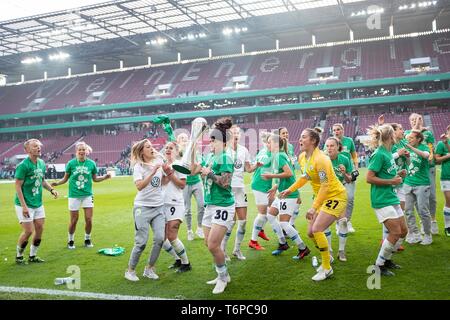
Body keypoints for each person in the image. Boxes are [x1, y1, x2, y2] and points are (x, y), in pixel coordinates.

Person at [280, 129, 347, 281]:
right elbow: (305, 177)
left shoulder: (322, 159)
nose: (300, 140)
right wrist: (289, 190)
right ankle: (326, 257)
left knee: (317, 229)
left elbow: (325, 186)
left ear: (313, 141)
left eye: (303, 137)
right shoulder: (303, 157)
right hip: (322, 197)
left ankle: (327, 268)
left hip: (335, 195)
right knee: (311, 233)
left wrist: (314, 207)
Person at [199, 117, 235, 294]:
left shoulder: (225, 157)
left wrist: (210, 173)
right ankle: (221, 273)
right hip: (210, 204)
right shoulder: (211, 156)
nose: (210, 143)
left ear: (221, 141)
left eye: (213, 140)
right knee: (209, 243)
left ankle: (223, 277)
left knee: (213, 245)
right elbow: (204, 176)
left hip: (223, 206)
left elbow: (225, 183)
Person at [51, 142, 111, 249]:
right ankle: (70, 240)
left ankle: (87, 239)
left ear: (86, 151)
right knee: (74, 220)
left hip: (87, 195)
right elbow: (65, 179)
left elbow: (95, 179)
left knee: (89, 219)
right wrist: (57, 183)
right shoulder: (71, 163)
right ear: (76, 151)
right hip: (74, 195)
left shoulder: (91, 164)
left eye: (83, 149)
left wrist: (104, 177)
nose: (82, 151)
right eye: (80, 150)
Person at [366, 124, 408, 276]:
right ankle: (378, 265)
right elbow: (369, 178)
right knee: (395, 232)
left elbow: (386, 174)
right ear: (390, 137)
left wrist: (398, 174)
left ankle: (387, 259)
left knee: (403, 231)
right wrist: (392, 181)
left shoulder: (389, 152)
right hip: (381, 199)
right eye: (394, 135)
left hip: (391, 197)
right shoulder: (379, 154)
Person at [124, 139, 166, 281]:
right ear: (142, 151)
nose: (152, 148)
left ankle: (149, 269)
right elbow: (140, 186)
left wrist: (167, 172)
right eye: (148, 147)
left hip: (159, 207)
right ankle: (130, 270)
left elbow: (163, 182)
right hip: (142, 207)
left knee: (160, 238)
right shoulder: (138, 167)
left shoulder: (158, 160)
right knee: (141, 242)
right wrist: (153, 171)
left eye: (152, 146)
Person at [263, 134, 310, 260]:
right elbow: (285, 174)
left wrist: (271, 177)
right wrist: (275, 186)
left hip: (288, 195)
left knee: (284, 223)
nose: (267, 145)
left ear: (276, 144)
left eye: (269, 142)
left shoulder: (279, 155)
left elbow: (289, 174)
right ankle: (283, 243)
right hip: (283, 193)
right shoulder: (278, 156)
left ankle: (303, 248)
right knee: (271, 215)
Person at [14, 139, 59, 264]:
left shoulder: (42, 163)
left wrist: (51, 190)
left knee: (39, 230)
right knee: (28, 231)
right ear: (27, 150)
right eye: (35, 146)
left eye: (39, 146)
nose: (38, 148)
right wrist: (24, 207)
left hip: (38, 203)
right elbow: (17, 186)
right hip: (24, 203)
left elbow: (43, 181)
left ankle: (33, 256)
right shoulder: (23, 166)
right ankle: (19, 256)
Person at [221, 125, 260, 261]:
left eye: (238, 132)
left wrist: (257, 166)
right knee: (230, 222)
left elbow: (248, 169)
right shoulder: (224, 150)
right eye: (233, 132)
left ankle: (237, 250)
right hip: (228, 189)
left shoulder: (244, 150)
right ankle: (223, 250)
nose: (236, 134)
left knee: (243, 221)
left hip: (240, 188)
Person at [160, 141, 192, 272]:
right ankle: (177, 259)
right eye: (166, 148)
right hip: (163, 204)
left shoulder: (180, 165)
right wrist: (167, 172)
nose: (168, 149)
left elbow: (182, 184)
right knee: (161, 238)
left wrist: (171, 173)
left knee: (172, 236)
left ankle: (186, 263)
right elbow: (162, 183)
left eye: (171, 148)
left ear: (177, 151)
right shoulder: (163, 165)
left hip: (175, 203)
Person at [405, 113, 437, 234]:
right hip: (414, 170)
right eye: (412, 120)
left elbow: (430, 149)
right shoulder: (408, 133)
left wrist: (430, 158)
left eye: (417, 119)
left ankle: (433, 221)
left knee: (432, 197)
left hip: (428, 168)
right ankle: (422, 224)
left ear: (422, 120)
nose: (414, 121)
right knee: (414, 199)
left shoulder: (427, 133)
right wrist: (417, 126)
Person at [324, 137, 352, 262]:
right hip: (325, 194)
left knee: (343, 221)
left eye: (332, 146)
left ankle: (341, 251)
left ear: (338, 147)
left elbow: (349, 179)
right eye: (327, 146)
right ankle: (329, 250)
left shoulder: (345, 159)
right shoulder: (323, 160)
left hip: (340, 194)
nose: (329, 148)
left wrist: (345, 173)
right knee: (325, 224)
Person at [404, 130, 432, 245]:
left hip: (422, 183)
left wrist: (411, 148)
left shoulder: (424, 147)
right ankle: (415, 234)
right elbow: (410, 164)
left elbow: (426, 156)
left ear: (418, 139)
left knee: (423, 210)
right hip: (408, 182)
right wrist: (407, 157)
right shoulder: (408, 148)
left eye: (411, 138)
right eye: (408, 138)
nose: (409, 139)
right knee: (408, 211)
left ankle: (427, 234)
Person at [330, 123, 358, 233]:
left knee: (350, 198)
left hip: (348, 172)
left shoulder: (349, 141)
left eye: (338, 129)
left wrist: (355, 168)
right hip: (336, 176)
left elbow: (354, 155)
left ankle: (347, 221)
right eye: (334, 130)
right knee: (338, 200)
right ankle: (339, 223)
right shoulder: (330, 142)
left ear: (343, 130)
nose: (336, 132)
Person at [248, 132, 274, 250]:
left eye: (271, 142)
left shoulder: (268, 152)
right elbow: (264, 170)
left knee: (270, 210)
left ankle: (260, 230)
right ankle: (253, 241)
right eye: (268, 142)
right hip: (259, 186)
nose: (270, 144)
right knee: (264, 214)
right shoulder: (265, 154)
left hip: (265, 186)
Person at [177, 133, 205, 240]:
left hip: (196, 181)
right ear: (178, 142)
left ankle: (199, 227)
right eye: (182, 138)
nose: (184, 140)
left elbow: (200, 164)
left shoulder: (195, 152)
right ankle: (189, 230)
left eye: (186, 139)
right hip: (185, 184)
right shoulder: (179, 154)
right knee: (187, 209)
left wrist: (196, 167)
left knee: (201, 205)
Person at [435, 125, 450, 237]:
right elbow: (437, 160)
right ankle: (447, 226)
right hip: (446, 176)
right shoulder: (441, 143)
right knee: (449, 201)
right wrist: (447, 156)